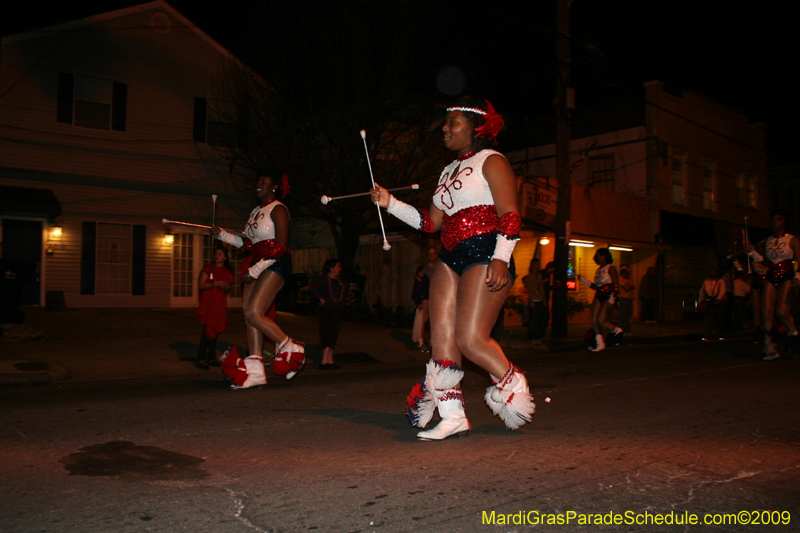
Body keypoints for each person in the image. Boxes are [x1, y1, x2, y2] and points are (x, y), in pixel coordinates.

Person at [371, 97, 534, 441]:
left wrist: (502, 257)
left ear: (477, 128)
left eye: (453, 123)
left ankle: (510, 379)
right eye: (444, 123)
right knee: (441, 339)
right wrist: (390, 203)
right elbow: (430, 224)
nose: (444, 129)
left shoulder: (493, 161)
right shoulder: (447, 172)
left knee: (471, 339)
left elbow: (510, 215)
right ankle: (452, 415)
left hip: (486, 252)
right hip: (449, 256)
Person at [213, 172, 304, 389]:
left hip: (276, 262)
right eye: (257, 181)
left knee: (254, 312)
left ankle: (290, 347)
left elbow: (281, 245)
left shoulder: (279, 208)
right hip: (256, 262)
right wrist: (223, 235)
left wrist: (257, 269)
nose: (258, 185)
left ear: (274, 188)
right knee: (249, 316)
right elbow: (249, 245)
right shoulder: (255, 212)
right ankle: (255, 372)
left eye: (263, 182)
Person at [748, 210, 800, 360]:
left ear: (784, 222)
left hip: (788, 276)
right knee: (766, 311)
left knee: (782, 311)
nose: (775, 222)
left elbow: (798, 259)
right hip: (771, 275)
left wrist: (798, 276)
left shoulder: (793, 240)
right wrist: (753, 254)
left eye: (779, 219)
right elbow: (765, 261)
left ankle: (793, 331)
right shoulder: (768, 240)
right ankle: (769, 347)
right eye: (773, 220)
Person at [196, 247, 234, 369]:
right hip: (208, 304)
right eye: (216, 254)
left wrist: (227, 287)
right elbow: (201, 285)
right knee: (207, 332)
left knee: (216, 331)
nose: (217, 256)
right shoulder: (208, 269)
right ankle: (201, 359)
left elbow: (228, 289)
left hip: (219, 304)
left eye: (220, 254)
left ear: (225, 257)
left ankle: (211, 358)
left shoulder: (227, 272)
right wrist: (215, 283)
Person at [579, 248, 623, 352]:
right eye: (597, 255)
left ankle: (616, 330)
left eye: (599, 255)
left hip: (608, 295)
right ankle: (600, 343)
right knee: (594, 320)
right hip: (598, 295)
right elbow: (595, 286)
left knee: (600, 320)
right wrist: (583, 280)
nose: (597, 257)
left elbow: (615, 285)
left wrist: (613, 297)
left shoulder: (611, 268)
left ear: (605, 256)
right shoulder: (598, 270)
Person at [309, 258, 347, 370]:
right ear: (331, 268)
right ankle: (324, 361)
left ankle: (330, 360)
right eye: (338, 267)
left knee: (334, 334)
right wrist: (320, 298)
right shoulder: (323, 279)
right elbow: (312, 287)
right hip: (326, 310)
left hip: (337, 310)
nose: (340, 269)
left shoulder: (340, 281)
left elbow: (345, 290)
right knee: (327, 334)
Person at [411, 247, 438, 353]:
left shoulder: (440, 269)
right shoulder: (422, 270)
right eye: (430, 254)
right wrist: (418, 301)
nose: (432, 256)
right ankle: (421, 342)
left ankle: (432, 342)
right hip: (425, 299)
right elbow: (417, 285)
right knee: (423, 321)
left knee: (434, 322)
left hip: (437, 299)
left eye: (433, 254)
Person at [698, 266, 726, 341]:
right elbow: (702, 292)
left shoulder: (721, 281)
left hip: (718, 302)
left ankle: (721, 334)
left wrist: (718, 299)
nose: (714, 273)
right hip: (709, 302)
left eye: (716, 271)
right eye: (713, 271)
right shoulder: (706, 281)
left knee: (719, 319)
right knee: (708, 319)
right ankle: (707, 335)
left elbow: (723, 291)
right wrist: (700, 302)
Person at [523, 258, 546, 344]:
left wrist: (544, 300)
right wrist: (531, 301)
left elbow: (542, 288)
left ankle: (536, 336)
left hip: (540, 299)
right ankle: (531, 337)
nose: (538, 266)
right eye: (537, 264)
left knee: (538, 319)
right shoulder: (530, 276)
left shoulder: (539, 275)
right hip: (534, 299)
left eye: (539, 264)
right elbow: (530, 289)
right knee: (533, 319)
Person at [617, 264, 635, 335]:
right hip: (623, 299)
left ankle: (627, 330)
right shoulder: (620, 279)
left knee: (628, 315)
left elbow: (633, 286)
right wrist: (629, 286)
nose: (628, 273)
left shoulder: (628, 280)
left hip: (629, 299)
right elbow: (626, 288)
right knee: (623, 315)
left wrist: (629, 286)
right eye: (627, 272)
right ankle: (621, 330)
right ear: (624, 272)